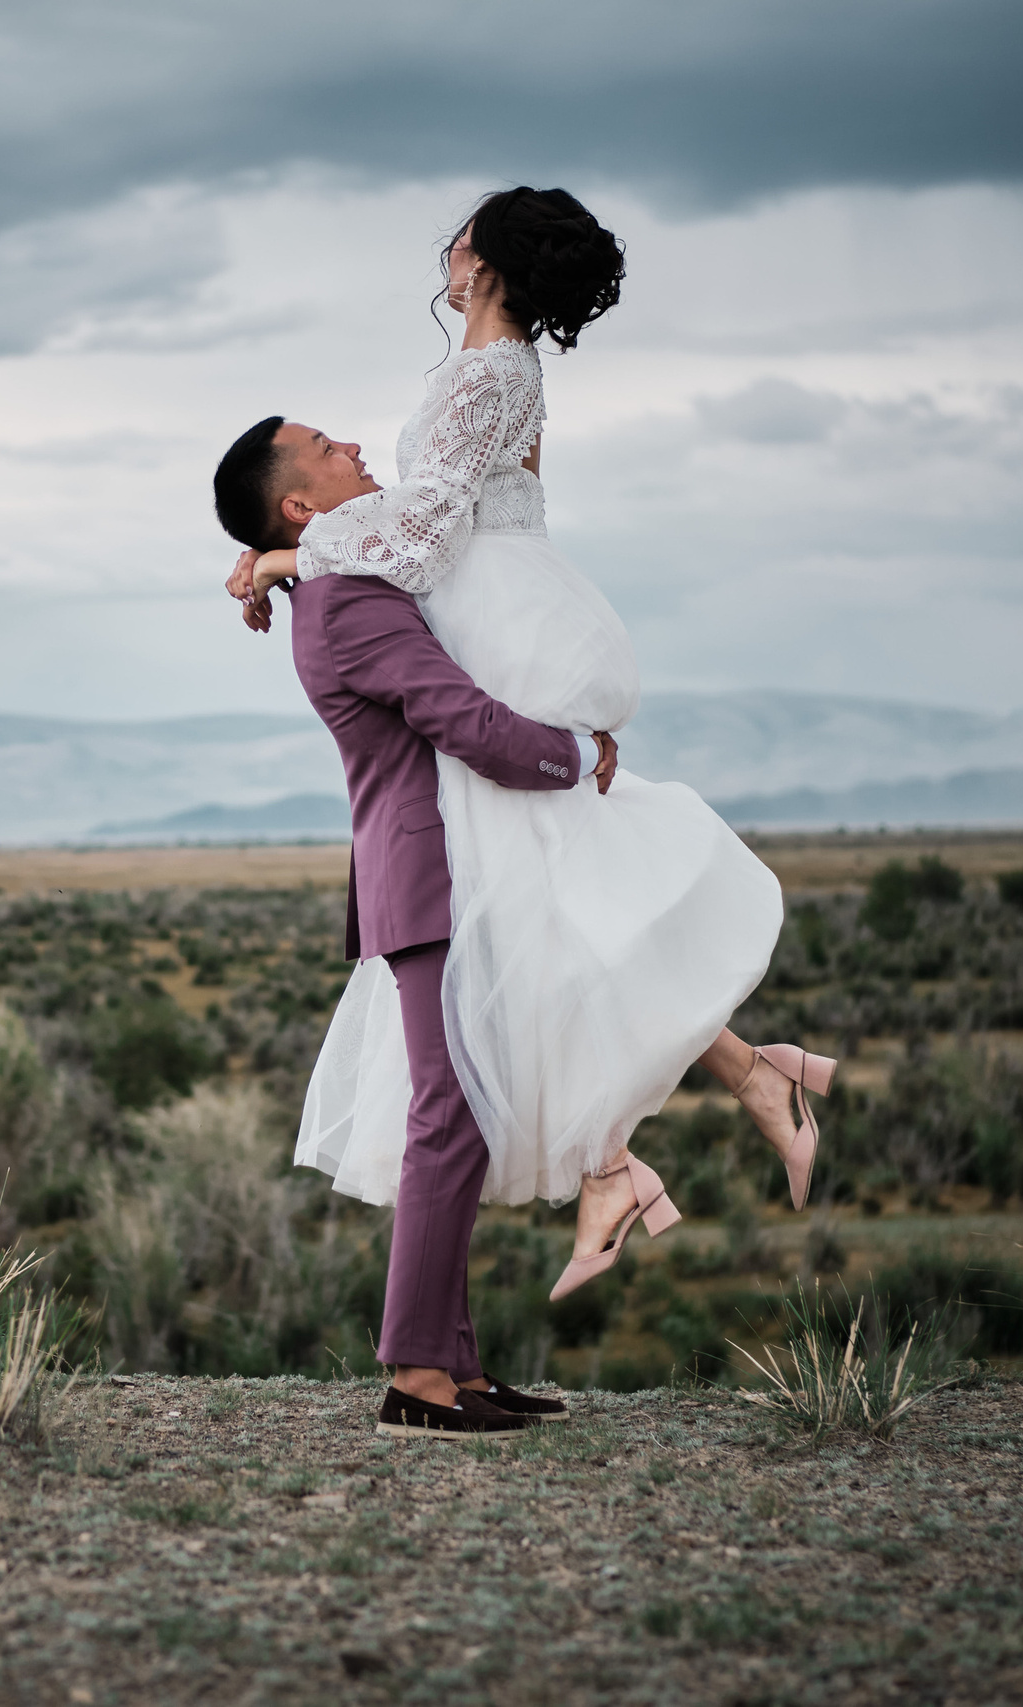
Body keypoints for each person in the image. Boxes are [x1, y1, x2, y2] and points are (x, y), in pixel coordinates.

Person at [219, 187, 833, 1311]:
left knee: (529, 904)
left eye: (457, 235)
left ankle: (655, 1140)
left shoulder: (482, 375)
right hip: (505, 608)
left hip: (496, 621)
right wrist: (295, 557)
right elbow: (442, 509)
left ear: (486, 260)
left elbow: (425, 525)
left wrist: (289, 560)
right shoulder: (494, 375)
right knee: (543, 901)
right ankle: (718, 1099)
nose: (443, 251)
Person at [213, 413, 602, 1438]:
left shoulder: (333, 579)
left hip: (435, 873)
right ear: (298, 503)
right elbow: (462, 721)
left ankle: (457, 1368)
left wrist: (267, 561)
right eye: (323, 447)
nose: (350, 443)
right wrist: (575, 754)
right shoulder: (344, 602)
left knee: (459, 1116)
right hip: (431, 873)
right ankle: (418, 1377)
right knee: (446, 1116)